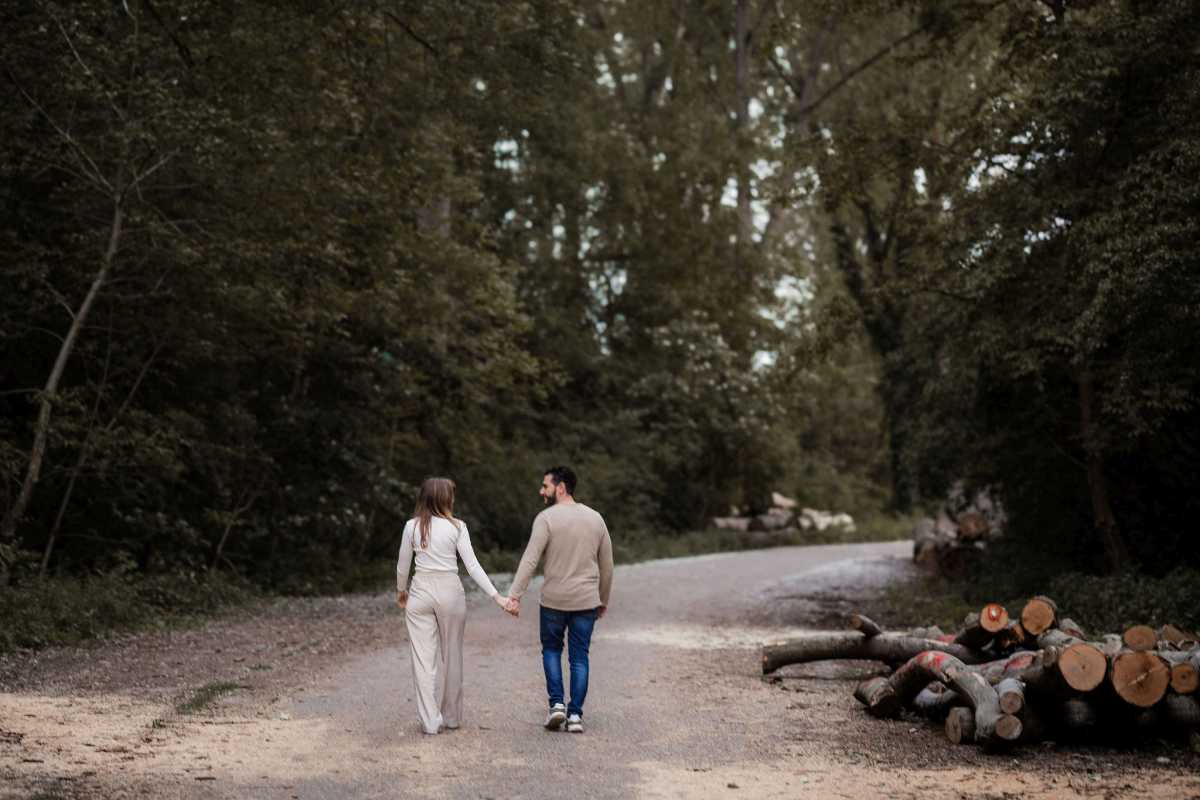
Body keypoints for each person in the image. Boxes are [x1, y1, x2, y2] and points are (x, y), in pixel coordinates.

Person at [502, 466, 613, 734]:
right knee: (579, 657)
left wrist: (514, 596)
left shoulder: (546, 519)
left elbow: (530, 560)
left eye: (545, 486)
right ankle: (575, 716)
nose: (542, 491)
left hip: (553, 601)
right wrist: (603, 599)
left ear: (560, 487)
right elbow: (607, 565)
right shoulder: (596, 518)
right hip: (586, 600)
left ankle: (557, 706)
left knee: (552, 650)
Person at [396, 477, 510, 735]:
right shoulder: (457, 527)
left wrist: (401, 590)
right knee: (452, 655)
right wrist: (497, 596)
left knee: (423, 660)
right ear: (445, 499)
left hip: (420, 591)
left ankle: (429, 722)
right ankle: (451, 718)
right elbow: (472, 566)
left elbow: (403, 565)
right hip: (450, 591)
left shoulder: (411, 527)